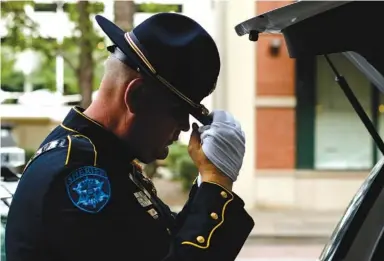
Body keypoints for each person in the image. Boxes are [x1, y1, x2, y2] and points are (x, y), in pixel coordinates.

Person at [5, 13, 254, 261]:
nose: (186, 127)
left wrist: (207, 183)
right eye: (179, 112)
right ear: (136, 96)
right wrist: (217, 186)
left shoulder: (103, 159)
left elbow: (163, 242)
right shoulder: (77, 177)